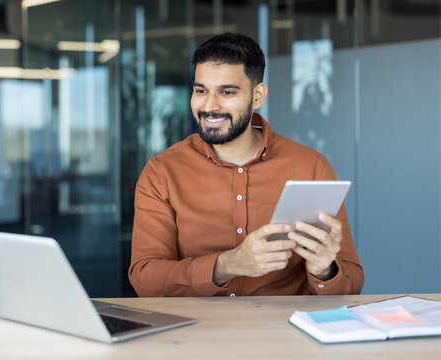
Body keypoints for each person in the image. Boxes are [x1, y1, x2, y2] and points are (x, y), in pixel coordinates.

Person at [128, 33, 364, 297]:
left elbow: (351, 283)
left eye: (227, 92)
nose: (209, 106)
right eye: (200, 90)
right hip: (195, 333)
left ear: (257, 96)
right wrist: (228, 264)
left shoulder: (311, 168)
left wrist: (324, 269)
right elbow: (146, 279)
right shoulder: (162, 172)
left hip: (283, 333)